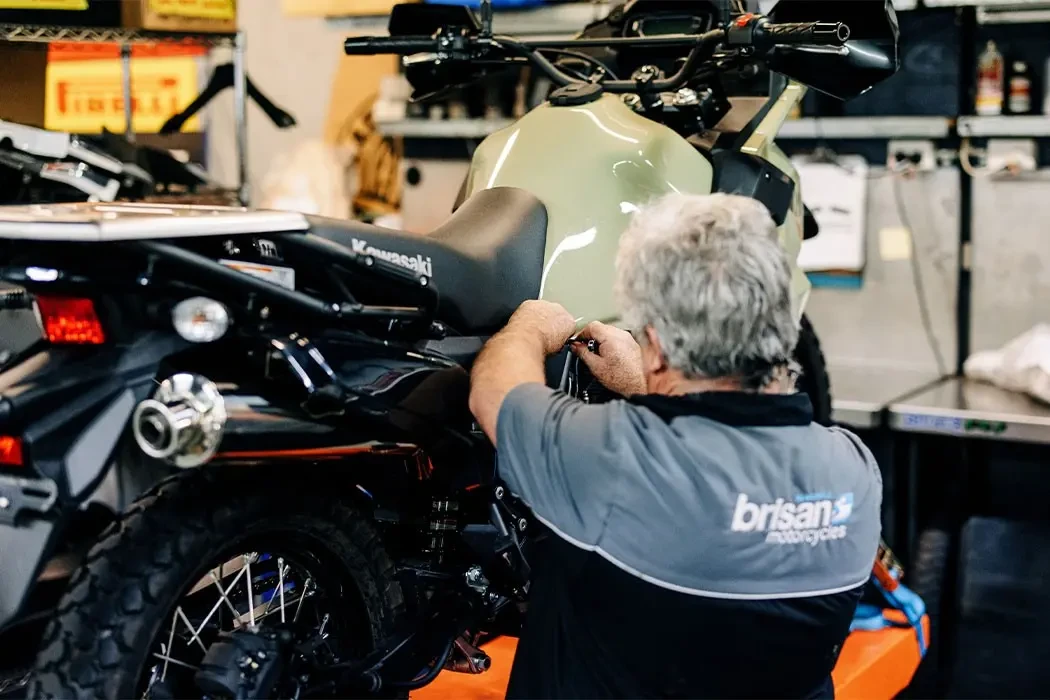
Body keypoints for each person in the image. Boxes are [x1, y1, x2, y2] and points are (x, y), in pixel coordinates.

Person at [468, 193, 882, 699]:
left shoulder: (612, 461)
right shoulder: (853, 472)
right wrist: (647, 378)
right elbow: (728, 486)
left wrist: (530, 328)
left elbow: (493, 393)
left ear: (658, 348)